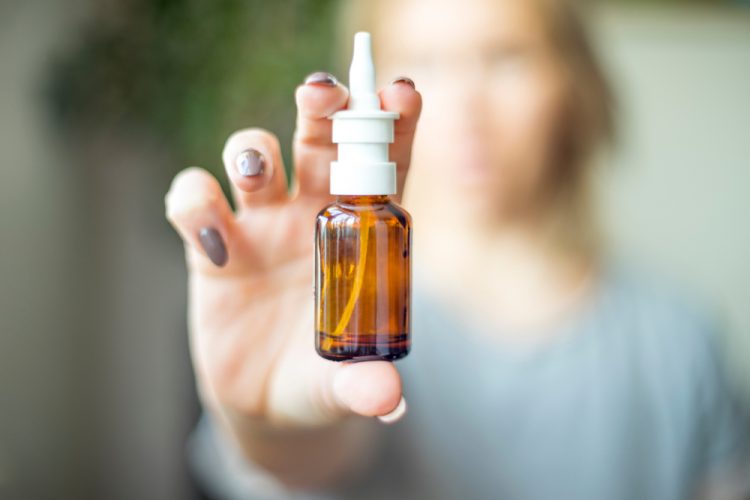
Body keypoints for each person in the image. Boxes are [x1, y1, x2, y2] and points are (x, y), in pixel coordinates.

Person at [164, 0, 750, 498]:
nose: (467, 106)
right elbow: (307, 453)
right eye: (425, 62)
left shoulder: (681, 343)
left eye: (505, 56)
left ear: (573, 79)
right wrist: (267, 427)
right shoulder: (345, 318)